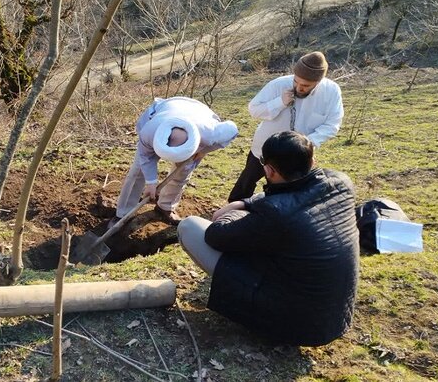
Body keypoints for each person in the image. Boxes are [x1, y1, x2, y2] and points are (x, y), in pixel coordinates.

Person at [178, 131, 359, 346]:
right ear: (312, 160)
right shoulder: (341, 182)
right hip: (333, 317)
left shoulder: (275, 214)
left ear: (268, 170)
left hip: (294, 325)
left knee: (189, 227)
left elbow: (216, 235)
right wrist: (246, 202)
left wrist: (235, 212)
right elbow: (287, 195)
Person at [228, 51, 343, 202]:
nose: (299, 88)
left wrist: (305, 143)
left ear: (318, 82)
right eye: (296, 82)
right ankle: (233, 207)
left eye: (305, 85)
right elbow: (254, 110)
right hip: (265, 147)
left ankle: (271, 215)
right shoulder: (278, 84)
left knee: (286, 191)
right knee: (247, 180)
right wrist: (280, 102)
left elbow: (332, 124)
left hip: (297, 156)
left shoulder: (331, 91)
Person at [111, 96, 239, 226]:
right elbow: (145, 158)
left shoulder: (211, 133)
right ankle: (123, 214)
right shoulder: (148, 132)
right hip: (169, 108)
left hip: (199, 114)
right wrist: (151, 182)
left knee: (182, 172)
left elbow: (233, 129)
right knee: (138, 170)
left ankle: (165, 208)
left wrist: (203, 151)